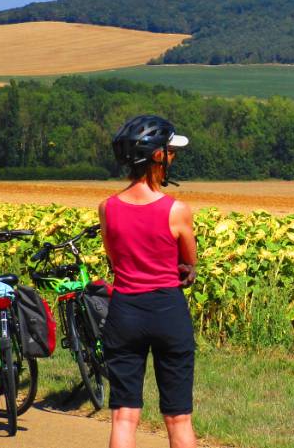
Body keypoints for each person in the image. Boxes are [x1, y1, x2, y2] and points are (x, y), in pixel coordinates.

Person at [99, 115, 198, 448]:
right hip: (167, 309)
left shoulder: (107, 208)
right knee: (178, 417)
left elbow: (114, 258)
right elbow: (189, 261)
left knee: (124, 416)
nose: (173, 158)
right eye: (171, 152)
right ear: (157, 156)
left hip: (125, 310)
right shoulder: (177, 210)